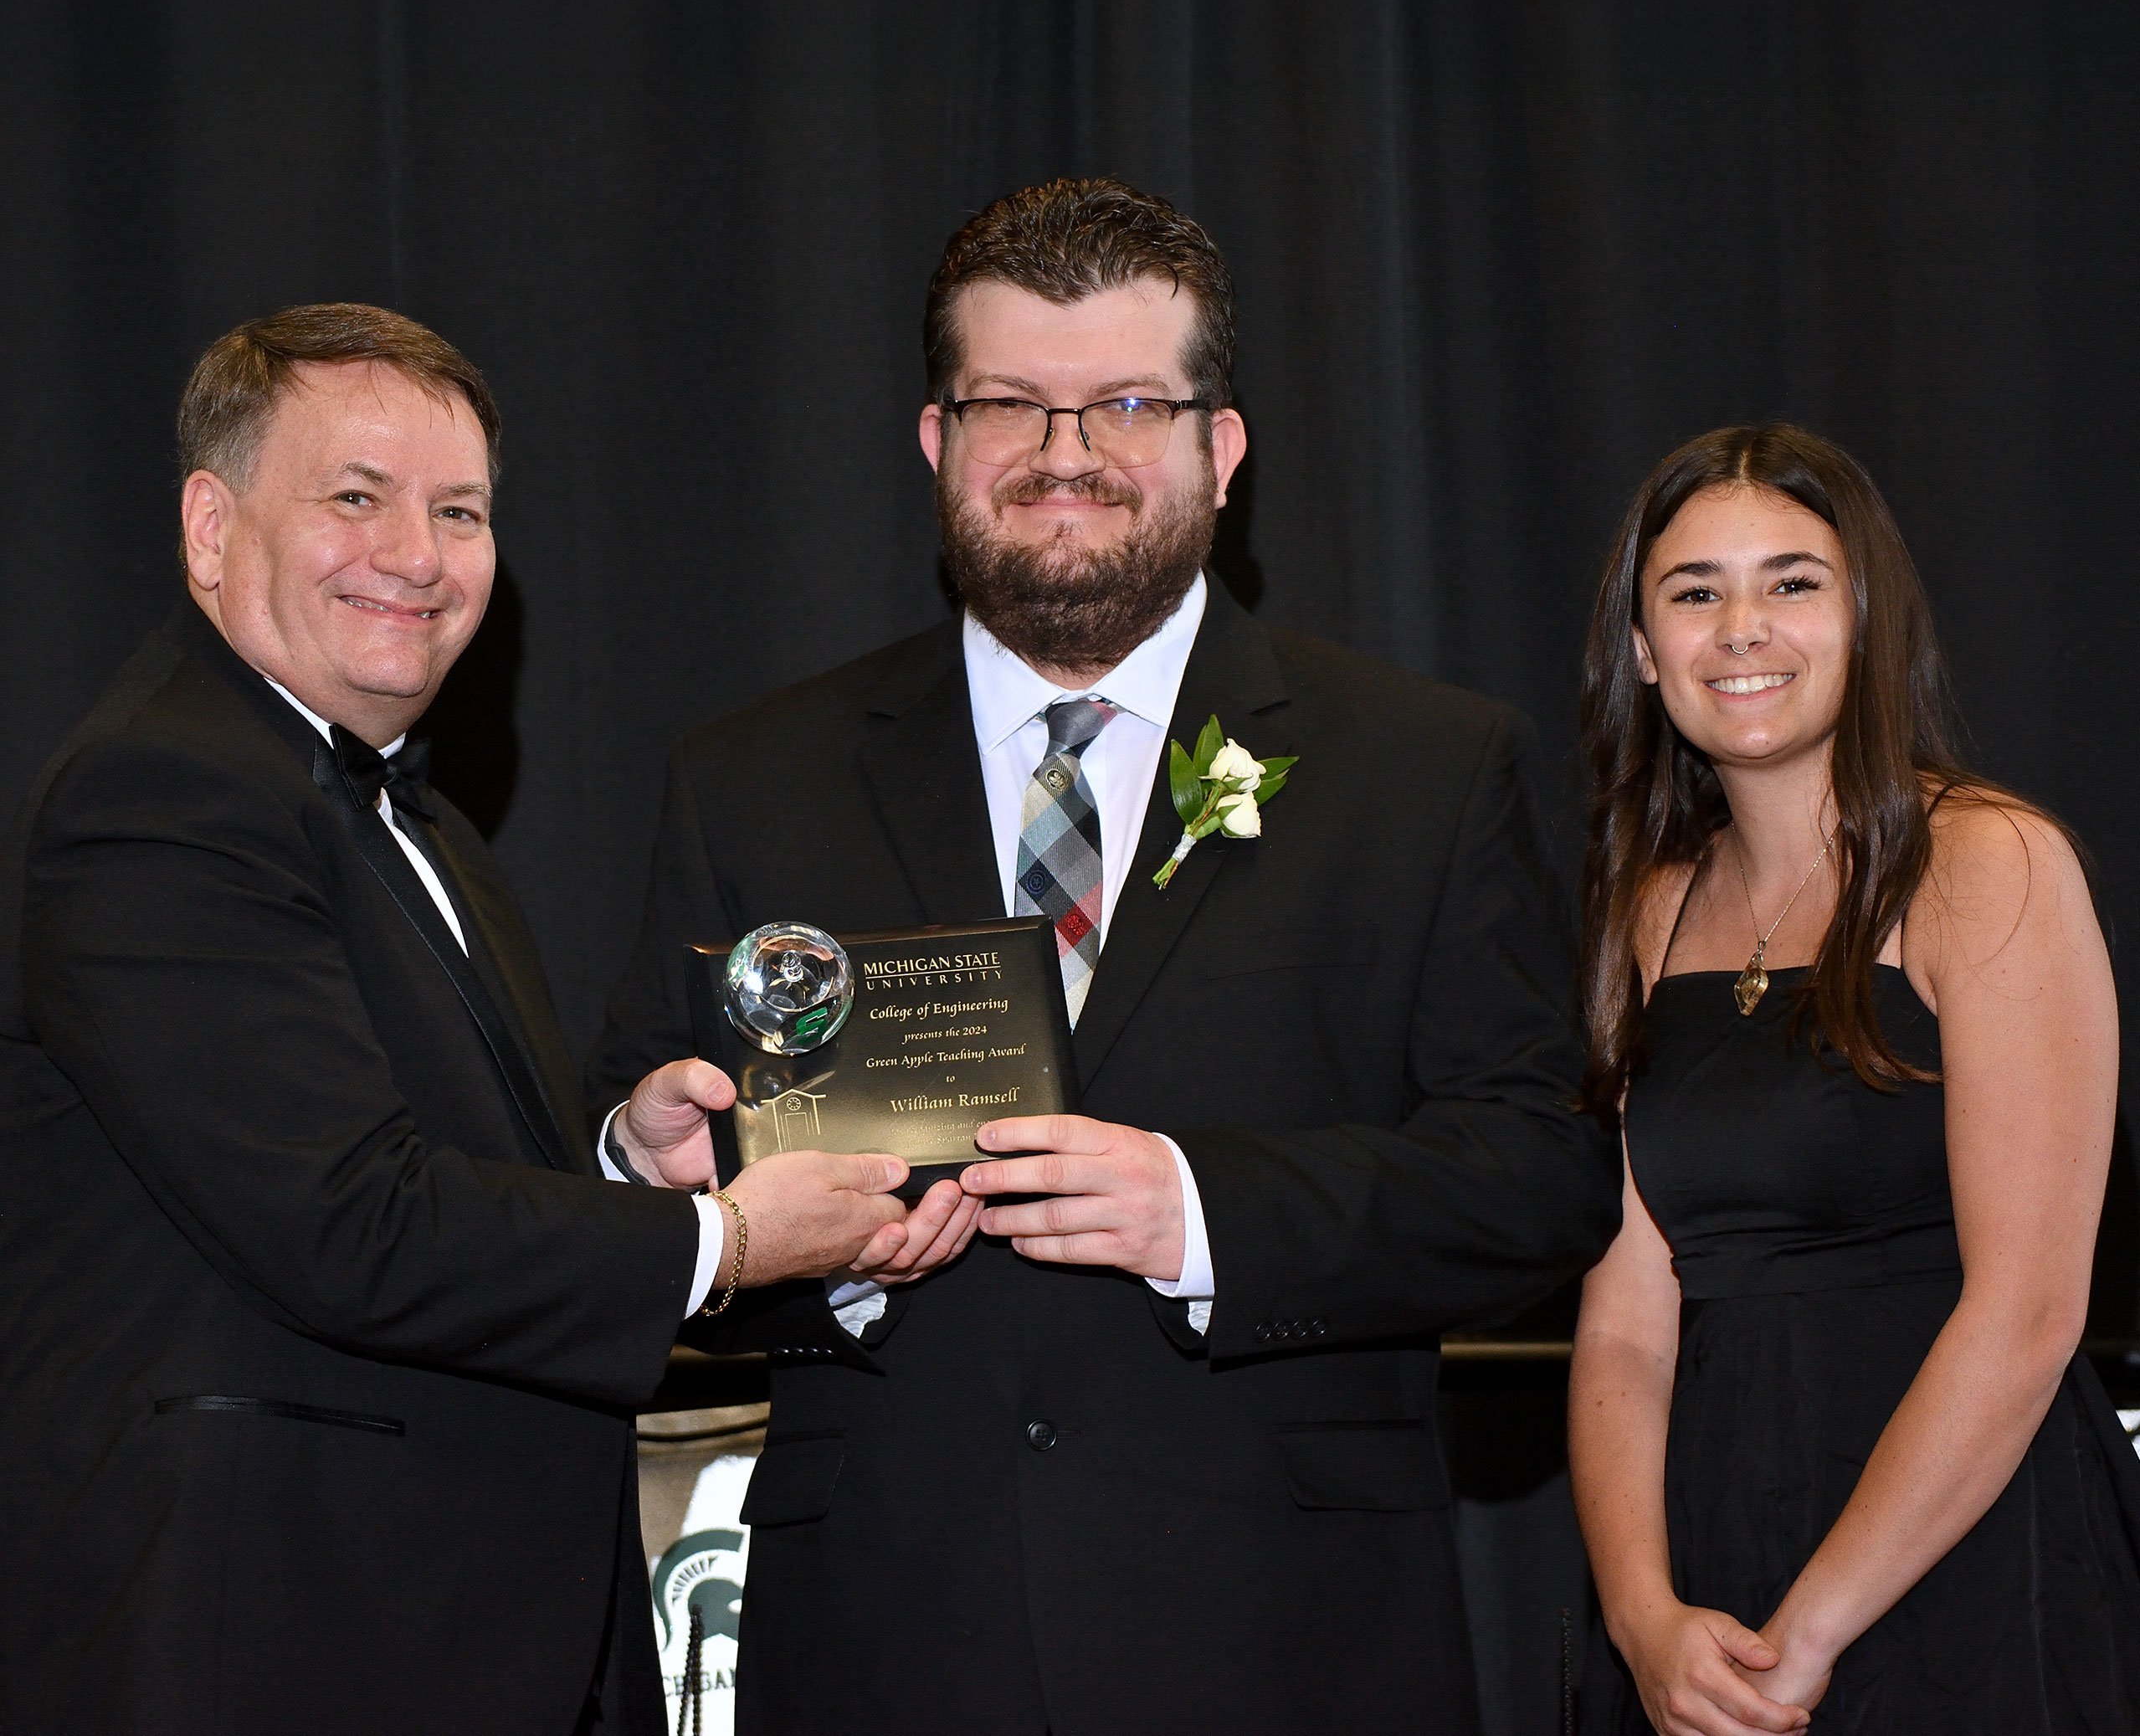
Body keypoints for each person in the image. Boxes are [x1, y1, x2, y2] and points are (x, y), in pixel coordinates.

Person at [590, 176, 1623, 1736]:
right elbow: (648, 1161)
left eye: (1127, 404)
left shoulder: (1423, 764)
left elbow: (1537, 1175)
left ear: (1222, 446)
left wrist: (1200, 1210)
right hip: (886, 1633)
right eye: (1010, 403)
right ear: (938, 443)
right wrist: (662, 1182)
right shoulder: (754, 777)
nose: (1064, 456)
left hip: (1291, 1643)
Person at [0, 304, 961, 1736]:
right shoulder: (166, 797)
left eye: (459, 510)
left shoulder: (422, 824)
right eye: (354, 496)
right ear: (212, 528)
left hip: (444, 1632)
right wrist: (732, 1240)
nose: (416, 553)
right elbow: (350, 1226)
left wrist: (627, 1165)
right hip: (268, 1641)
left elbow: (422, 1180)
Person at [1567, 424, 2140, 1736]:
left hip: (1959, 1560)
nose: (1741, 628)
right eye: (1694, 591)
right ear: (1645, 653)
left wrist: (1810, 1629)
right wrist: (1643, 1614)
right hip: (1707, 1558)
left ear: (1865, 618)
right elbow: (1621, 1325)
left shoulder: (1989, 863)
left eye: (1791, 581)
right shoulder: (1641, 914)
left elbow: (2028, 1314)